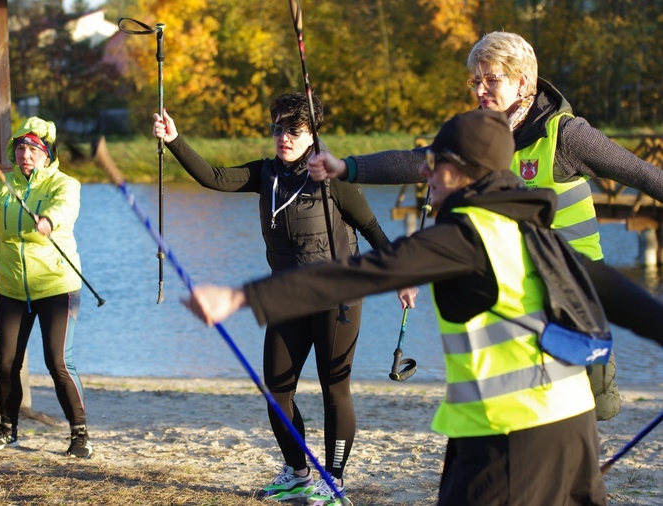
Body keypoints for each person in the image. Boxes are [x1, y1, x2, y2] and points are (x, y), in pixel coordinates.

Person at [181, 109, 663, 506]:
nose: (426, 173)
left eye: (436, 163)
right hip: (574, 433)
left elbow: (358, 273)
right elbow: (626, 300)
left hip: (506, 439)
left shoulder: (463, 236)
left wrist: (242, 297)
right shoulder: (538, 236)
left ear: (465, 172)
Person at [306, 31, 663, 421]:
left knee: (600, 407)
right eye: (475, 81)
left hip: (573, 286)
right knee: (533, 404)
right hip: (514, 289)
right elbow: (417, 161)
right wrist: (346, 168)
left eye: (491, 79)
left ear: (522, 81)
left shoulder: (567, 135)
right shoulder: (477, 136)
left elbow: (643, 174)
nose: (480, 89)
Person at [153, 93, 393, 505]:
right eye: (278, 128)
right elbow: (213, 176)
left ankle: (333, 482)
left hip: (339, 297)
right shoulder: (266, 175)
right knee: (277, 389)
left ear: (312, 134)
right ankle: (299, 473)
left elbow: (373, 229)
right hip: (286, 296)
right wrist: (175, 141)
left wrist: (399, 279)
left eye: (293, 130)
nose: (283, 137)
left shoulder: (332, 176)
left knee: (334, 389)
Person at [0, 116, 92, 458]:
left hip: (57, 286)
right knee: (7, 364)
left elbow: (65, 208)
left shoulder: (65, 184)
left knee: (58, 363)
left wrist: (49, 220)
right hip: (11, 287)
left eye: (34, 149)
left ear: (47, 154)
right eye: (21, 148)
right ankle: (8, 430)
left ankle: (80, 435)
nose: (26, 155)